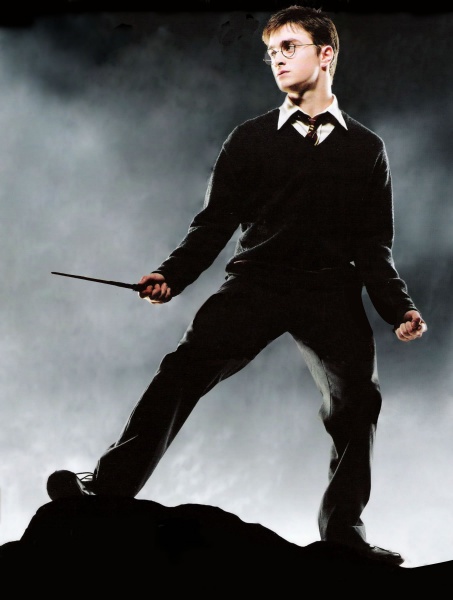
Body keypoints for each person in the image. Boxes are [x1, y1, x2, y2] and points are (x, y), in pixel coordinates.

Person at [47, 5, 427, 566]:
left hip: (331, 293)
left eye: (289, 47)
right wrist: (171, 275)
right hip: (256, 284)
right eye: (271, 52)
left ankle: (344, 534)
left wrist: (400, 309)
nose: (277, 60)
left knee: (359, 402)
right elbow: (214, 223)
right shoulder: (249, 139)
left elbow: (374, 246)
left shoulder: (366, 148)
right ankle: (106, 489)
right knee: (182, 371)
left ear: (326, 54)